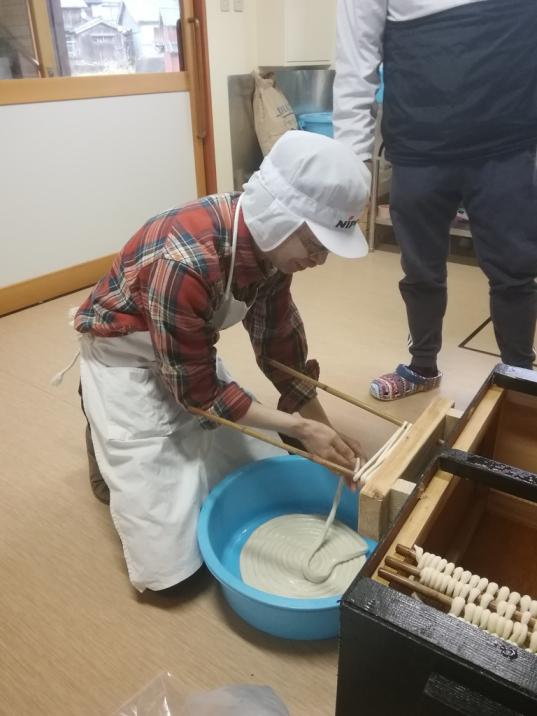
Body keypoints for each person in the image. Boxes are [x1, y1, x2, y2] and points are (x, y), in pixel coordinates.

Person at [73, 130, 371, 593]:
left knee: (263, 463)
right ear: (279, 217)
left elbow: (280, 349)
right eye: (315, 243)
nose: (320, 260)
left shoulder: (270, 252)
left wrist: (322, 431)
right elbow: (199, 395)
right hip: (123, 355)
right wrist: (300, 429)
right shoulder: (187, 261)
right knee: (170, 569)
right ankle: (99, 420)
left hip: (186, 351)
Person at [333, 0, 537, 401]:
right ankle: (421, 366)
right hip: (418, 148)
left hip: (508, 145)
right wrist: (352, 167)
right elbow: (355, 64)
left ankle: (520, 381)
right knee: (420, 271)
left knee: (515, 272)